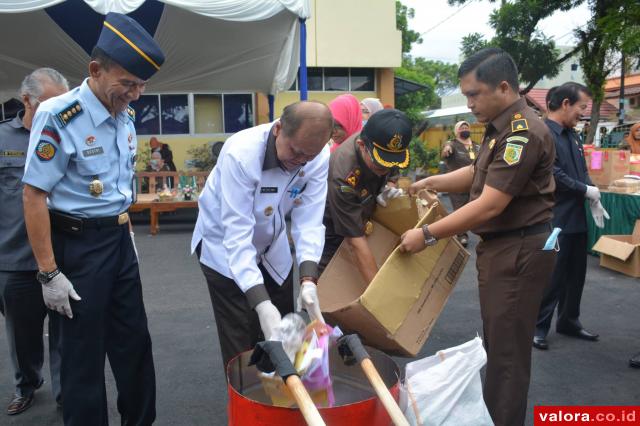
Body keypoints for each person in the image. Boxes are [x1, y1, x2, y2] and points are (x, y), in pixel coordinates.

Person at [400, 48, 556, 426]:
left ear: (503, 87)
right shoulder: (501, 125)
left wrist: (427, 234)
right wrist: (432, 181)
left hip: (518, 250)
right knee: (499, 347)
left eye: (474, 94)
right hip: (505, 249)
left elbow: (489, 204)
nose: (468, 104)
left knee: (506, 359)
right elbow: (477, 172)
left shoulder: (523, 131)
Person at [22, 12, 164, 425]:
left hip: (119, 242)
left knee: (134, 345)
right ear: (95, 70)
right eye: (128, 84)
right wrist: (48, 274)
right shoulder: (58, 116)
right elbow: (33, 196)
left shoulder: (125, 114)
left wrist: (125, 230)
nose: (135, 95)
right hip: (78, 247)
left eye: (141, 85)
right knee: (83, 356)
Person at [191, 101, 333, 370]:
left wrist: (308, 278)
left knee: (284, 333)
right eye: (296, 152)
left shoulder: (318, 155)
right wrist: (260, 303)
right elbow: (237, 236)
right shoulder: (241, 154)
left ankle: (283, 397)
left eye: (309, 157)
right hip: (224, 246)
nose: (301, 162)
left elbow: (309, 221)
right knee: (242, 341)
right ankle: (247, 404)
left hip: (272, 243)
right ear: (279, 129)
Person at [0, 68, 67, 416]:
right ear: (27, 100)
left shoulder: (65, 136)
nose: (58, 110)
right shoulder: (2, 139)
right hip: (15, 259)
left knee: (64, 332)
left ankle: (65, 393)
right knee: (22, 335)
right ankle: (26, 383)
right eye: (49, 103)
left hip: (62, 258)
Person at [533, 83, 607, 351]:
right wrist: (583, 189)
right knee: (552, 273)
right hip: (554, 217)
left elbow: (581, 170)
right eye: (581, 107)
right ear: (565, 103)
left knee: (576, 273)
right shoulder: (544, 134)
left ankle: (569, 320)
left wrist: (592, 195)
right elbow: (552, 173)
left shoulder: (572, 135)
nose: (582, 113)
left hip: (576, 216)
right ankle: (538, 326)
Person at [319, 109, 412, 283]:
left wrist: (389, 185)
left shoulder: (383, 146)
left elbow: (392, 166)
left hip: (366, 222)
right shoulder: (343, 176)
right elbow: (355, 240)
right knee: (333, 293)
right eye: (380, 165)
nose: (385, 169)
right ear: (362, 145)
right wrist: (379, 294)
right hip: (334, 235)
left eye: (391, 162)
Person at [441, 120, 479, 246]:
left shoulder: (476, 145)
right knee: (460, 210)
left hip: (476, 183)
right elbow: (447, 148)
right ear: (457, 131)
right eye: (461, 128)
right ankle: (462, 235)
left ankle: (484, 232)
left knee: (477, 208)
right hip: (457, 184)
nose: (464, 130)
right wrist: (446, 148)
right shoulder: (452, 144)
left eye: (466, 128)